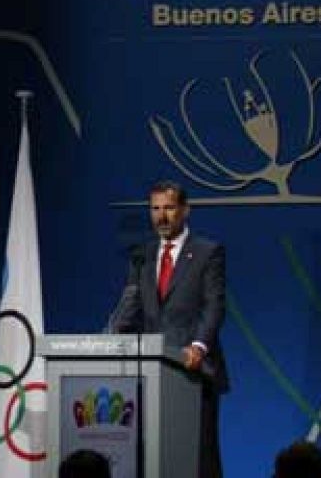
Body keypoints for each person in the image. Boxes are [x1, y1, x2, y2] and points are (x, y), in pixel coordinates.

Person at [106, 179, 227, 478]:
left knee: (200, 458)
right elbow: (130, 306)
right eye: (155, 209)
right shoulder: (142, 256)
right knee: (151, 456)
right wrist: (108, 339)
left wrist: (199, 346)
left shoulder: (207, 252)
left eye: (169, 208)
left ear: (185, 210)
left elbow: (214, 305)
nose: (161, 216)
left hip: (192, 369)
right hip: (149, 371)